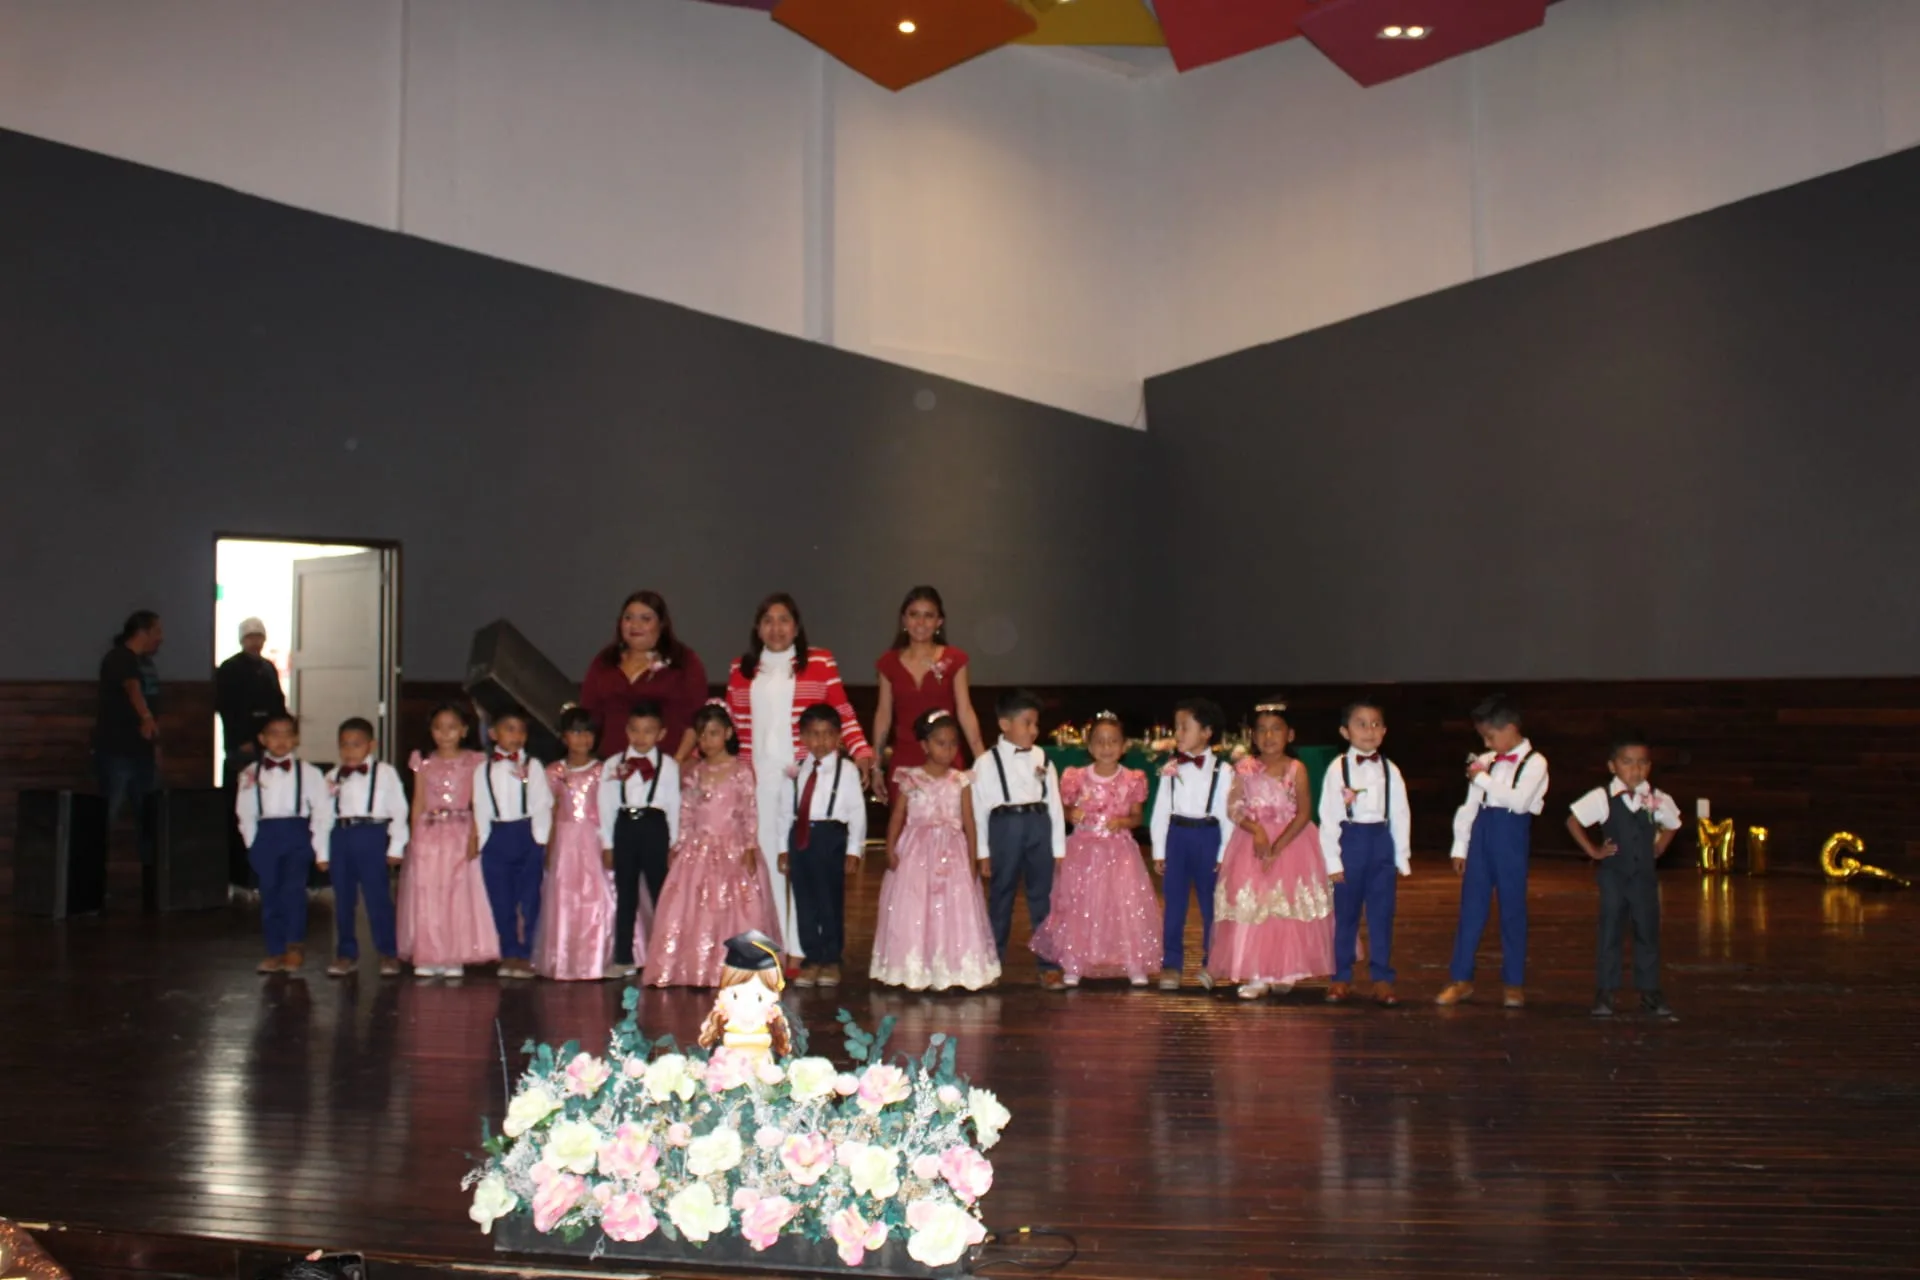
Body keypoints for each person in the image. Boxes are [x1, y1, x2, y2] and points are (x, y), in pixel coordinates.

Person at [725, 593, 874, 968]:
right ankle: (776, 944)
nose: (776, 628)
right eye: (768, 621)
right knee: (772, 863)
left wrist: (861, 751)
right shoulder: (740, 669)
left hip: (805, 779)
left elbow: (841, 711)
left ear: (797, 625)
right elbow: (733, 727)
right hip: (758, 778)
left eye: (784, 620)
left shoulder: (820, 662)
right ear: (757, 628)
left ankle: (803, 947)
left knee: (802, 865)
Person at [642, 704, 779, 988]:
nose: (707, 741)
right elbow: (688, 811)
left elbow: (748, 811)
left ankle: (737, 966)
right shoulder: (695, 772)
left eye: (714, 734)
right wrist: (680, 843)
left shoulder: (741, 771)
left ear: (728, 733)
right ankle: (693, 967)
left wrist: (750, 846)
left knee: (736, 907)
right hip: (698, 848)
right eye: (702, 736)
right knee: (693, 906)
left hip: (732, 847)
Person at [871, 709, 1000, 992]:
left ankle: (951, 968)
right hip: (917, 852)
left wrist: (974, 858)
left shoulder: (961, 780)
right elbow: (898, 816)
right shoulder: (911, 778)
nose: (949, 749)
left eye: (953, 743)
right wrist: (890, 847)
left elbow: (969, 821)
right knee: (916, 908)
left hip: (952, 852)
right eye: (941, 742)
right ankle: (915, 968)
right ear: (925, 745)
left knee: (954, 910)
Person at [1213, 700, 1333, 1000]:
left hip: (1292, 842)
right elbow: (1234, 806)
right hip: (1252, 843)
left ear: (1290, 735)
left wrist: (1278, 846)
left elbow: (1304, 812)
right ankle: (1257, 972)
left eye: (1276, 729)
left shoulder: (1297, 768)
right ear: (1253, 737)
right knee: (1255, 905)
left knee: (1287, 906)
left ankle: (1286, 970)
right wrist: (1256, 831)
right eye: (1262, 731)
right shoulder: (1245, 768)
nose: (1269, 737)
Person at [1028, 711, 1156, 989]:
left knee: (1123, 905)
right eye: (1100, 741)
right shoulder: (1076, 777)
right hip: (1083, 850)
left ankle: (1131, 961)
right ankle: (1075, 961)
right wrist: (1070, 812)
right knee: (1080, 905)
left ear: (1123, 747)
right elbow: (1063, 808)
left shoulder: (1132, 779)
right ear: (1089, 745)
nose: (1106, 747)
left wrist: (1122, 821)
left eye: (1113, 742)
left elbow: (1137, 817)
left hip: (1118, 850)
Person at [1438, 696, 1549, 1009]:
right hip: (1482, 831)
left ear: (1511, 728)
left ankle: (1513, 982)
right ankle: (1461, 978)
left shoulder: (1536, 762)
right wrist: (1460, 846)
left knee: (1512, 909)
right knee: (1471, 908)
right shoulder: (1486, 761)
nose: (1486, 743)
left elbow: (1519, 801)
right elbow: (1470, 805)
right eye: (1483, 738)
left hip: (1511, 832)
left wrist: (1482, 777)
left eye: (1490, 736)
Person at [1567, 731, 1681, 1020]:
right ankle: (1606, 990)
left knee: (1647, 931)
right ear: (1612, 766)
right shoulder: (1603, 797)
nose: (1636, 769)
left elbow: (1673, 823)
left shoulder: (1656, 798)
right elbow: (1573, 821)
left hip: (1643, 877)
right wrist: (1593, 851)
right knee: (1611, 931)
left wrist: (1658, 848)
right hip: (1614, 876)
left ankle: (1650, 990)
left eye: (1642, 763)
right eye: (1628, 762)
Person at [1319, 700, 1412, 1006]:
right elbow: (1329, 815)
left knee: (1382, 914)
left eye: (1375, 724)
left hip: (1380, 841)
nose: (1369, 730)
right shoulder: (1337, 768)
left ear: (1384, 731)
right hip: (1351, 841)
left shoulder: (1391, 769)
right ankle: (1341, 976)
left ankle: (1382, 977)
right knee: (1346, 914)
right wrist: (1332, 859)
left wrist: (1400, 855)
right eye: (1361, 723)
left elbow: (1400, 812)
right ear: (1345, 731)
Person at [973, 689, 1067, 989]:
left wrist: (1058, 848)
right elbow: (978, 810)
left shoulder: (1043, 757)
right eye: (1027, 723)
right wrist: (982, 851)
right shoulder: (986, 763)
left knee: (1043, 899)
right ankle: (992, 962)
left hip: (1038, 825)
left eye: (1035, 724)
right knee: (1001, 897)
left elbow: (1054, 803)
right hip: (1004, 827)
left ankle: (1049, 964)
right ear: (1005, 725)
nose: (1034, 730)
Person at [399, 703, 499, 980]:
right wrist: (413, 835)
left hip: (460, 830)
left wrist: (475, 835)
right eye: (439, 728)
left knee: (457, 893)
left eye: (452, 727)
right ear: (431, 732)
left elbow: (478, 801)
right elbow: (418, 800)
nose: (445, 734)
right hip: (429, 832)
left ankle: (453, 953)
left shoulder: (473, 761)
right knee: (428, 892)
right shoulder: (424, 762)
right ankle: (430, 953)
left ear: (464, 730)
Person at [776, 704, 868, 988]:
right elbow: (784, 812)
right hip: (800, 837)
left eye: (828, 734)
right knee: (804, 902)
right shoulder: (797, 770)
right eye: (814, 735)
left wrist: (854, 850)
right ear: (803, 737)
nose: (821, 742)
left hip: (831, 837)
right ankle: (811, 957)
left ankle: (831, 958)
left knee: (830, 902)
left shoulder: (848, 771)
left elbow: (857, 813)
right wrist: (782, 847)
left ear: (838, 737)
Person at [235, 711, 331, 975]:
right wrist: (253, 845)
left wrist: (319, 847)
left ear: (296, 739)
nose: (281, 741)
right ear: (262, 739)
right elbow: (245, 812)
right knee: (270, 894)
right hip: (266, 836)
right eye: (274, 735)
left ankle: (294, 946)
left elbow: (322, 811)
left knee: (294, 891)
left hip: (296, 833)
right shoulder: (250, 774)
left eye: (287, 734)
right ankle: (274, 950)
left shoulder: (309, 773)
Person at [1148, 698, 1230, 991]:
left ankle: (1213, 961)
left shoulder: (1223, 770)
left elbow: (1227, 817)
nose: (1178, 733)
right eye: (1177, 727)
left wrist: (1223, 853)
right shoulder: (1172, 767)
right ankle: (1171, 963)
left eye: (1185, 727)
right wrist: (1158, 849)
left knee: (1211, 904)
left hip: (1209, 836)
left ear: (1207, 732)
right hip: (1177, 837)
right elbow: (1160, 811)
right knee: (1174, 904)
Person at [597, 699, 680, 977]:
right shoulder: (613, 764)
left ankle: (665, 958)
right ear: (627, 731)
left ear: (661, 734)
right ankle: (623, 957)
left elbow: (674, 805)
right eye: (635, 730)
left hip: (655, 827)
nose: (641, 737)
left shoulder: (668, 766)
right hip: (625, 828)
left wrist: (674, 843)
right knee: (626, 895)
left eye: (648, 730)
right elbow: (605, 805)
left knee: (661, 894)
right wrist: (608, 843)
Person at [535, 707, 617, 982]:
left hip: (592, 838)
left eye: (588, 733)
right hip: (565, 840)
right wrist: (547, 843)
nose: (582, 740)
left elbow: (607, 809)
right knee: (564, 897)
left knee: (597, 895)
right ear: (563, 737)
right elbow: (548, 807)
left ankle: (596, 957)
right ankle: (564, 959)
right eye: (576, 733)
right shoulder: (554, 772)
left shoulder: (602, 771)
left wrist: (608, 843)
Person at [579, 590, 710, 762]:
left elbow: (695, 720)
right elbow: (589, 715)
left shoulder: (683, 660)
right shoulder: (605, 660)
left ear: (662, 624)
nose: (635, 625)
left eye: (645, 619)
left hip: (668, 766)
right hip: (612, 767)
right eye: (628, 618)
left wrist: (676, 763)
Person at [871, 586, 988, 778]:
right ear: (904, 620)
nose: (921, 622)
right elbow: (883, 715)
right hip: (905, 760)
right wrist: (876, 764)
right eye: (914, 614)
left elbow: (965, 710)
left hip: (946, 756)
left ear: (939, 622)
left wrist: (982, 759)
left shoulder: (954, 659)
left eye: (929, 616)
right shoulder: (888, 663)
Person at [323, 717, 407, 979]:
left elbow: (399, 809)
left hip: (372, 834)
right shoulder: (331, 776)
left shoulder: (386, 772)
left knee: (378, 897)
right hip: (341, 835)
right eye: (344, 745)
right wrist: (322, 852)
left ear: (371, 745)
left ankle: (387, 952)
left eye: (356, 744)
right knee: (344, 898)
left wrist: (397, 845)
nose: (349, 751)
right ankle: (346, 953)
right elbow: (322, 816)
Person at [473, 708, 554, 981]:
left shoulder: (534, 766)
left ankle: (530, 951)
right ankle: (509, 951)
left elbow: (543, 803)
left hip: (526, 832)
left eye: (521, 730)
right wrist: (483, 840)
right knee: (501, 898)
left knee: (530, 897)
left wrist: (540, 840)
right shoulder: (482, 769)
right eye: (509, 729)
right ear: (493, 733)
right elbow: (481, 806)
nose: (516, 735)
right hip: (496, 835)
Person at [217, 617, 287, 885]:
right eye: (251, 637)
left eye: (259, 637)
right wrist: (241, 739)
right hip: (243, 749)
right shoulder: (230, 669)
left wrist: (281, 734)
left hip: (267, 747)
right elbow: (227, 708)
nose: (255, 642)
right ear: (242, 640)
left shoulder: (268, 668)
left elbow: (277, 704)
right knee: (241, 807)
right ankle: (238, 873)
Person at [94, 609, 164, 873]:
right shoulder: (119, 658)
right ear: (142, 632)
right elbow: (132, 688)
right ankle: (91, 884)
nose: (161, 637)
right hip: (117, 752)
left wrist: (157, 745)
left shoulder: (147, 663)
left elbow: (155, 705)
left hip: (144, 753)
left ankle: (153, 882)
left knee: (150, 819)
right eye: (157, 631)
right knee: (106, 817)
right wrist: (145, 717)